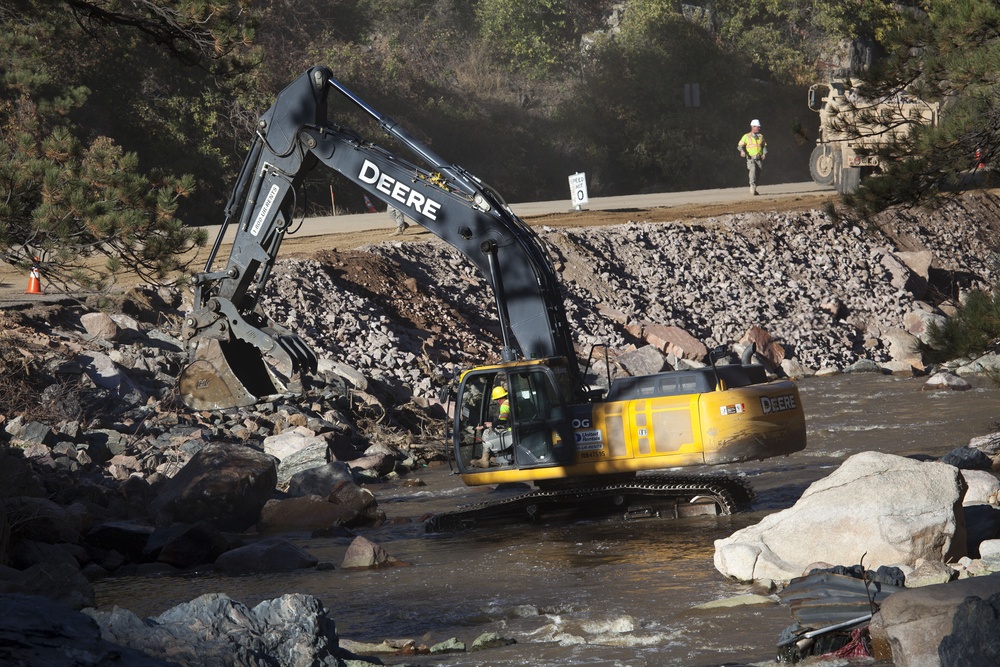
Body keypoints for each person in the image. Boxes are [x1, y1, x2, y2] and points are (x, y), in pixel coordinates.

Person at [476, 385, 510, 467]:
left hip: (509, 430)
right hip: (510, 428)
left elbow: (503, 420)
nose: (497, 402)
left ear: (499, 399)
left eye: (496, 400)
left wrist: (491, 424)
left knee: (487, 433)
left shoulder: (504, 406)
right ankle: (493, 457)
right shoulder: (510, 402)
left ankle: (485, 459)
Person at [738, 119, 767, 196]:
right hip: (751, 158)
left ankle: (754, 188)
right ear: (753, 127)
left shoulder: (761, 136)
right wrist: (742, 151)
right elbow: (740, 146)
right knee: (753, 170)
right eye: (758, 127)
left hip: (759, 159)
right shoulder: (746, 136)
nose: (759, 128)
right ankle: (752, 187)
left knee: (758, 173)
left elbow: (764, 146)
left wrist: (764, 153)